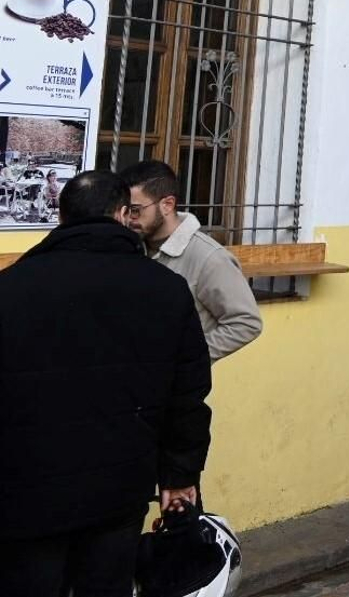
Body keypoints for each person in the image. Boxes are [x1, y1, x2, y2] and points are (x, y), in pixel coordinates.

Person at [0, 171, 211, 597]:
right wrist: (179, 475)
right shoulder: (167, 291)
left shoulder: (11, 288)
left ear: (60, 217)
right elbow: (187, 395)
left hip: (26, 490)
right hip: (120, 489)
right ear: (121, 214)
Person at [121, 160, 263, 361]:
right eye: (125, 211)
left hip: (178, 385)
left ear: (167, 205)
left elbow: (246, 322)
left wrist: (187, 358)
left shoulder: (210, 258)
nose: (128, 219)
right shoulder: (131, 246)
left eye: (135, 210)